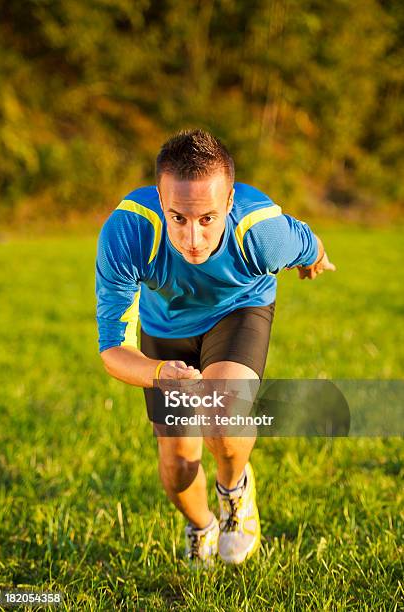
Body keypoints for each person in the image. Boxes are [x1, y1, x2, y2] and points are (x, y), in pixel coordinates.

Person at [95, 129, 336, 565]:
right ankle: (201, 523)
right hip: (165, 329)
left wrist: (315, 258)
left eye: (207, 218)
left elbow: (308, 242)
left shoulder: (262, 234)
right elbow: (112, 349)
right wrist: (158, 372)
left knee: (222, 421)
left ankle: (234, 491)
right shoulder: (127, 232)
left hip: (238, 312)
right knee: (177, 468)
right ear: (159, 198)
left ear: (229, 203)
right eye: (179, 218)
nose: (192, 238)